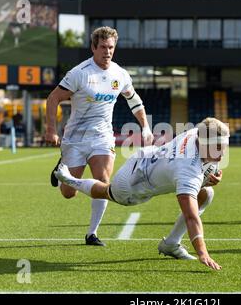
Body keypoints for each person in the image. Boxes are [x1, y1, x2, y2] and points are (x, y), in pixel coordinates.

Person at [53, 117, 229, 271]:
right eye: (218, 148)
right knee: (106, 191)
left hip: (147, 157)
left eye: (224, 147)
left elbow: (205, 161)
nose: (222, 155)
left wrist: (210, 176)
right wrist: (202, 252)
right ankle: (68, 178)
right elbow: (191, 217)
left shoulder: (196, 133)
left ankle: (170, 244)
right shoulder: (187, 169)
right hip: (133, 185)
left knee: (206, 193)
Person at [45, 26, 154, 246]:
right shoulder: (80, 73)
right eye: (103, 47)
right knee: (68, 193)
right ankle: (61, 171)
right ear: (93, 47)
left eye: (111, 47)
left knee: (104, 183)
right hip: (75, 138)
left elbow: (134, 100)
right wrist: (50, 130)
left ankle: (91, 234)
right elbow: (53, 98)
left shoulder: (120, 74)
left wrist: (145, 127)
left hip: (103, 137)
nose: (107, 51)